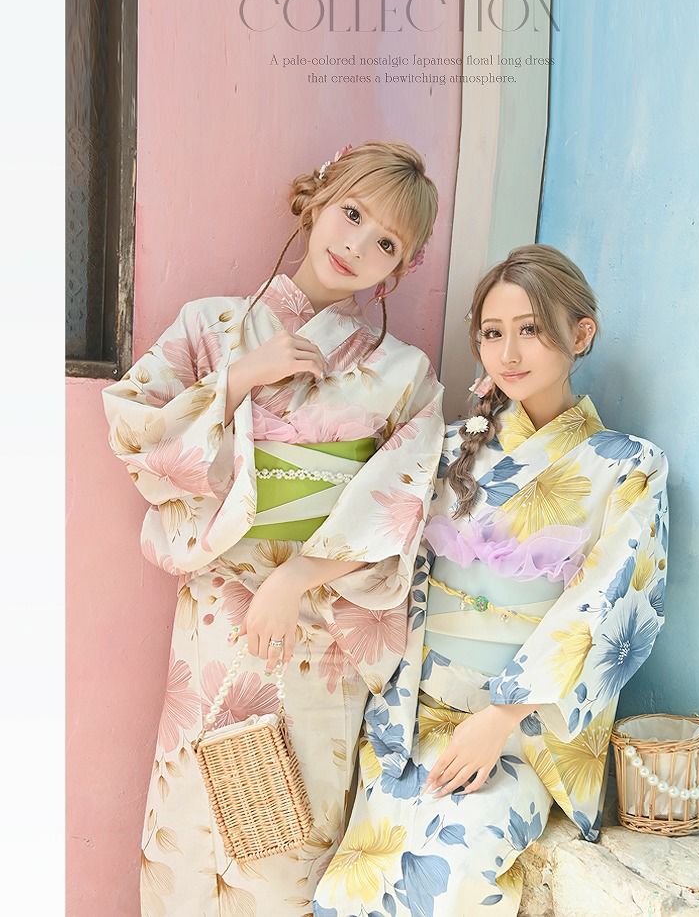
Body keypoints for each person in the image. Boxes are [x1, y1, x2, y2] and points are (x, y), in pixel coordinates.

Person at [102, 141, 445, 916]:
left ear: (402, 267)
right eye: (351, 213)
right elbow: (134, 426)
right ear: (316, 199)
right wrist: (238, 379)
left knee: (292, 841)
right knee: (192, 823)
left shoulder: (407, 374)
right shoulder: (213, 324)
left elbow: (404, 494)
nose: (357, 245)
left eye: (386, 242)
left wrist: (297, 576)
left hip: (319, 625)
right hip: (218, 609)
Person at [313, 244, 669, 917]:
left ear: (581, 334)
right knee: (348, 891)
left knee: (451, 877)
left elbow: (612, 604)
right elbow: (376, 538)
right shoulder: (452, 448)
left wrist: (501, 717)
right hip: (416, 718)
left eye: (530, 329)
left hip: (523, 734)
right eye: (492, 332)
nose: (509, 352)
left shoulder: (627, 464)